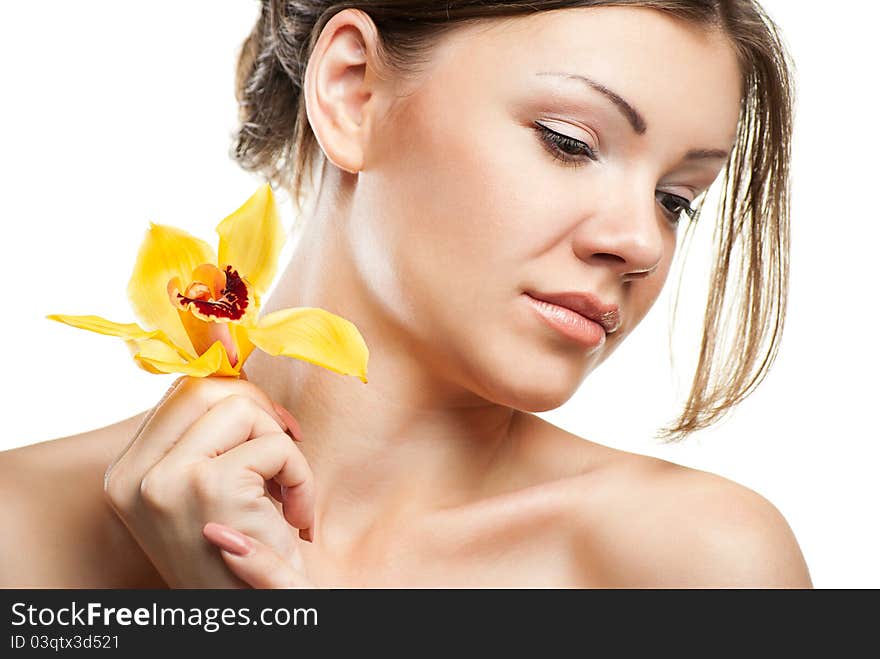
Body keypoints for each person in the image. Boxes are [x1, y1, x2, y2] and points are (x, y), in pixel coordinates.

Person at [0, 0, 812, 588]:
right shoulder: (21, 535)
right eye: (569, 143)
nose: (640, 242)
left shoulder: (701, 565)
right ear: (354, 91)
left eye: (677, 200)